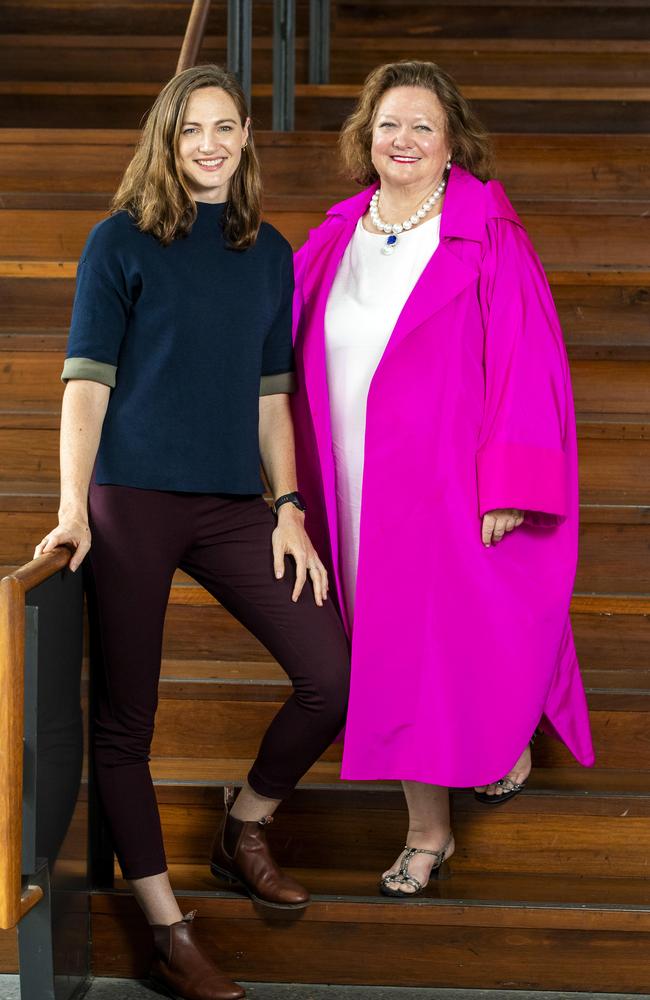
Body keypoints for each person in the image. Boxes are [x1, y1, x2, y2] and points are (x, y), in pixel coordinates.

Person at [34, 64, 350, 1000]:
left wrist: (288, 508)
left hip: (227, 506)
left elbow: (270, 399)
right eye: (189, 131)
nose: (208, 144)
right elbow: (85, 387)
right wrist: (71, 508)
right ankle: (170, 933)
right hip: (130, 501)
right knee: (126, 724)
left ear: (246, 136)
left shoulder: (269, 251)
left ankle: (241, 824)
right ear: (165, 143)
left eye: (224, 127)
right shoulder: (117, 243)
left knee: (329, 676)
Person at [291, 60, 595, 899]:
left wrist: (509, 481)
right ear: (367, 135)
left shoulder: (486, 230)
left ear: (454, 142)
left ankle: (471, 778)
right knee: (395, 652)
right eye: (390, 124)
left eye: (423, 126)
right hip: (354, 485)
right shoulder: (334, 234)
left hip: (450, 481)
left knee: (466, 632)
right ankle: (433, 825)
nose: (404, 140)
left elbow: (528, 362)